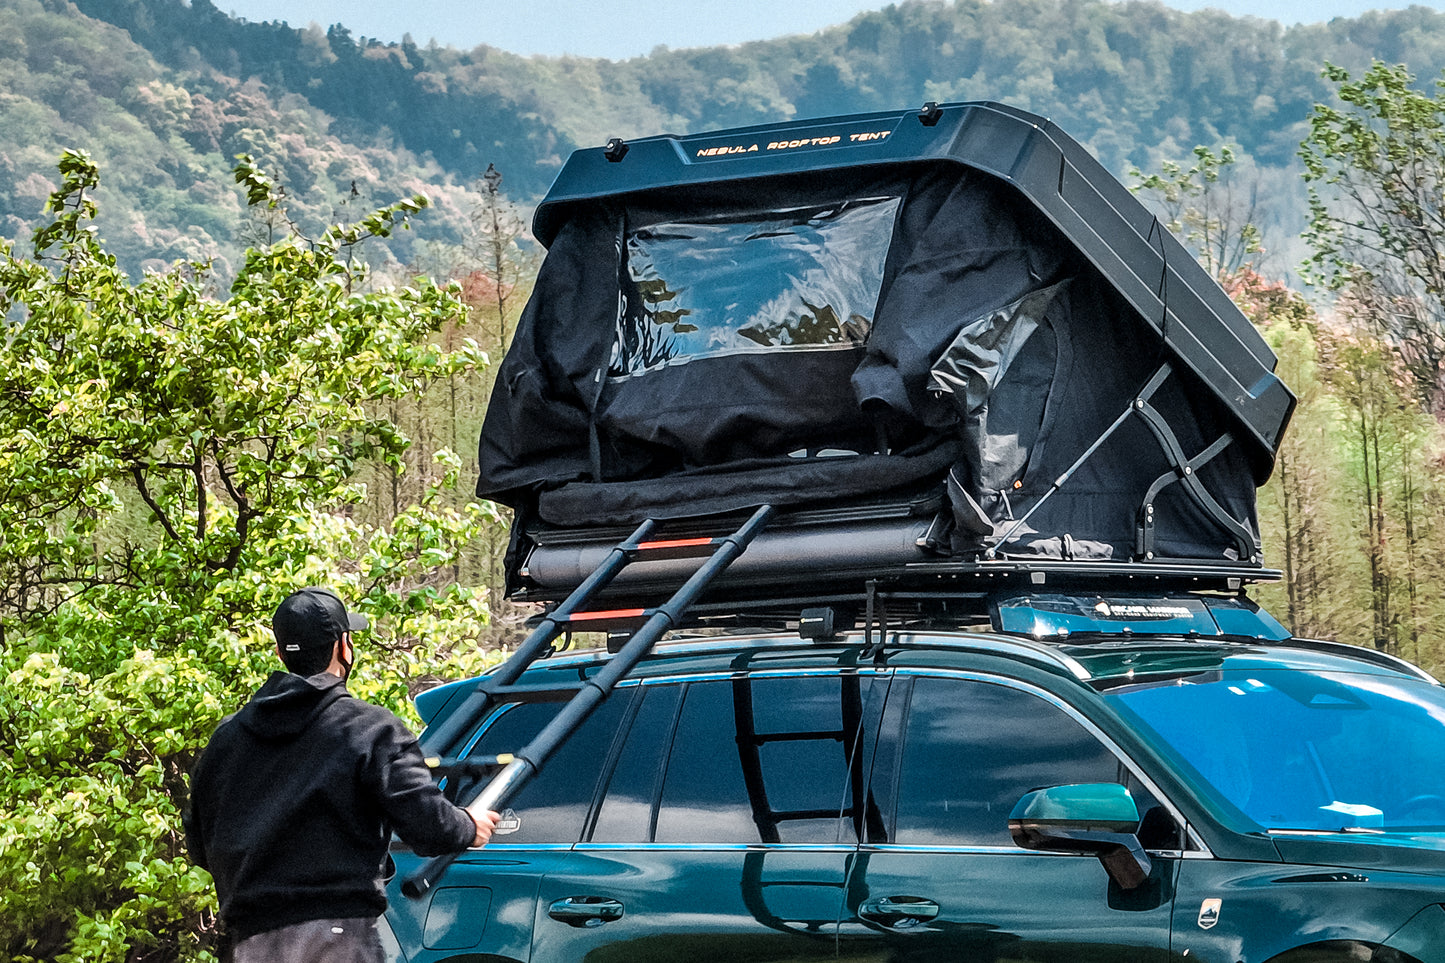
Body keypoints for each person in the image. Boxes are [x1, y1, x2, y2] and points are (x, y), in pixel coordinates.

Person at [185, 586, 500, 962]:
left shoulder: (226, 739)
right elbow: (429, 827)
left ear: (280, 652)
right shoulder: (370, 729)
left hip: (250, 945)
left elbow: (199, 847)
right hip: (337, 942)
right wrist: (468, 825)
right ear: (343, 646)